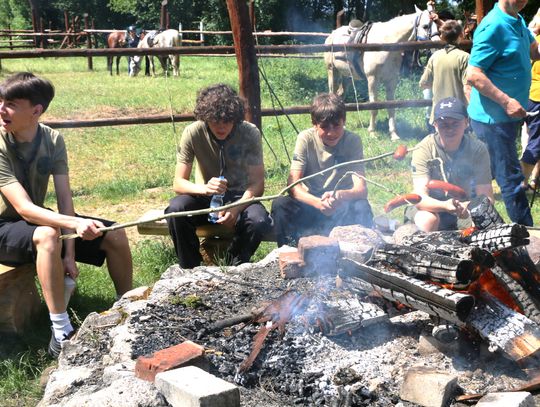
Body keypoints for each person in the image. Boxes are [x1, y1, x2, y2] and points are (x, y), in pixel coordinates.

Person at [0, 72, 133, 357]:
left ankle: (127, 308)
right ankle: (61, 332)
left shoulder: (52, 139)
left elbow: (64, 198)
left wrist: (70, 252)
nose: (1, 109)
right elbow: (23, 208)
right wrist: (73, 225)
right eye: (1, 101)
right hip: (5, 225)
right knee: (48, 235)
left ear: (36, 111)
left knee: (115, 234)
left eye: (10, 104)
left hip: (34, 221)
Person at [165, 83, 271, 268]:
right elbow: (178, 183)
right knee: (176, 209)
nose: (221, 127)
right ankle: (190, 268)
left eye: (227, 121)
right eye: (215, 121)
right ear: (205, 118)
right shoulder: (193, 132)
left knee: (258, 220)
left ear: (236, 119)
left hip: (240, 196)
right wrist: (204, 189)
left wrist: (236, 208)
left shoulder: (249, 133)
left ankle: (234, 266)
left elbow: (257, 184)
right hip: (205, 197)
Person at [466, 0, 540, 226]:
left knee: (486, 171)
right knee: (510, 178)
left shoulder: (517, 20)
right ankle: (529, 236)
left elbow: (534, 52)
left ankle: (461, 209)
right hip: (492, 120)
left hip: (506, 118)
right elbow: (474, 75)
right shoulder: (493, 26)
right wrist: (507, 101)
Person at [271, 93, 373, 247]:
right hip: (312, 203)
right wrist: (318, 203)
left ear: (344, 121)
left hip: (341, 206)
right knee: (280, 205)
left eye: (337, 126)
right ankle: (290, 253)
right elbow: (293, 186)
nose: (331, 133)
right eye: (324, 127)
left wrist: (340, 196)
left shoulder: (353, 141)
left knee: (362, 207)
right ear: (314, 123)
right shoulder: (305, 139)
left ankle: (359, 254)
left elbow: (361, 189)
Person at [408, 97, 494, 232]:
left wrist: (470, 207)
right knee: (427, 220)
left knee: (485, 220)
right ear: (435, 125)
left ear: (466, 122)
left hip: (463, 207)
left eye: (455, 123)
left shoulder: (478, 149)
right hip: (429, 207)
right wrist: (444, 206)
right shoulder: (423, 149)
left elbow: (486, 196)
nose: (450, 129)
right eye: (444, 124)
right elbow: (419, 198)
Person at [419, 20, 471, 125]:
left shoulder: (434, 57)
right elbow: (468, 88)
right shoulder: (465, 57)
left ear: (442, 37)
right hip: (458, 116)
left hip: (438, 115)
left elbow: (423, 84)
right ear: (461, 35)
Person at [521, 10, 540, 190]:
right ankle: (521, 182)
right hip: (537, 97)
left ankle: (533, 180)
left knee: (532, 139)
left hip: (530, 95)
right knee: (536, 142)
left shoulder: (534, 39)